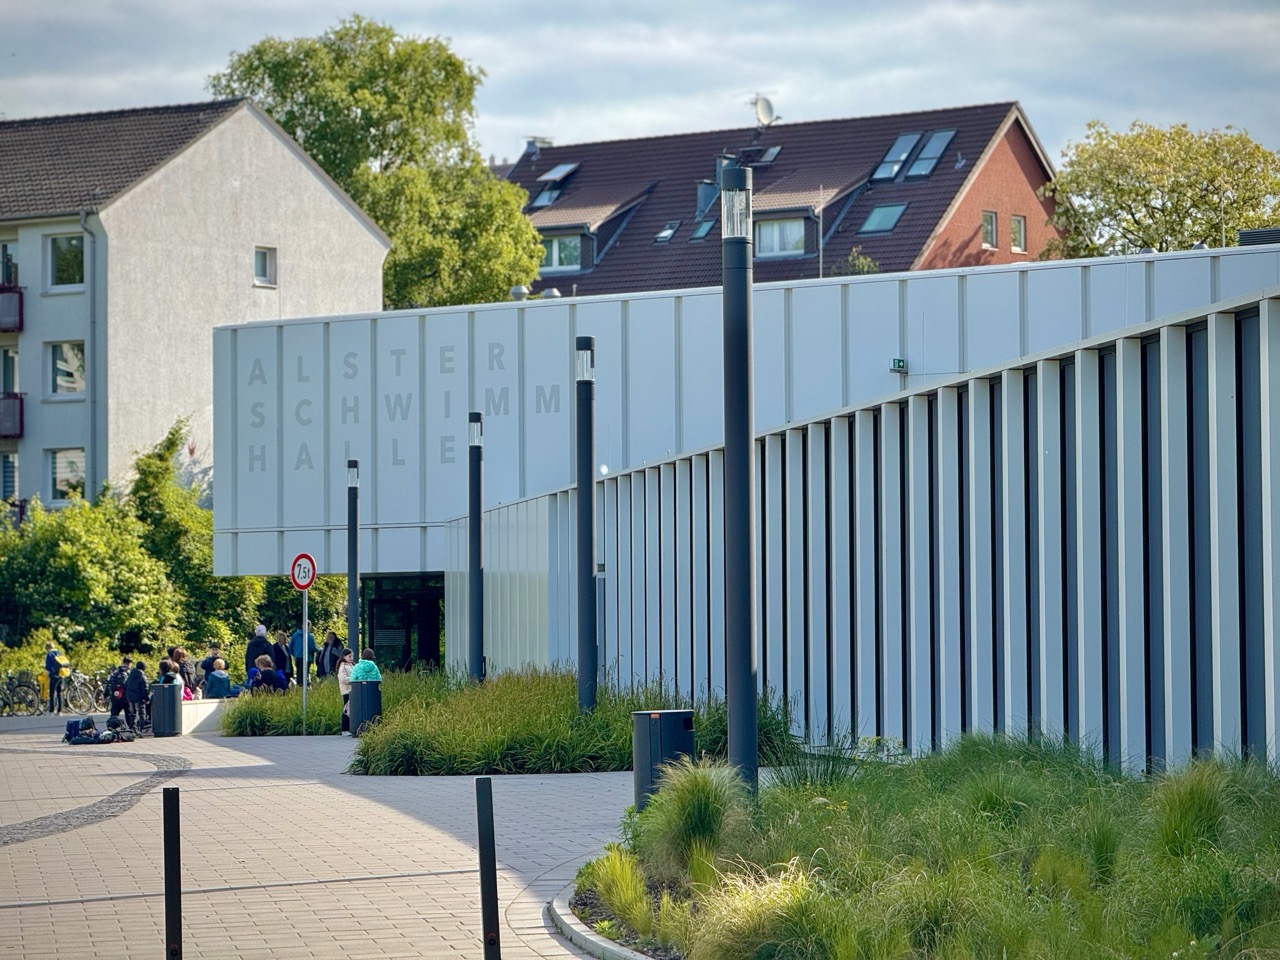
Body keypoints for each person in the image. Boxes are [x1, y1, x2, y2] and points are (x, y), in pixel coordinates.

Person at [44, 640, 68, 715]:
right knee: (59, 693)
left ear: (48, 648)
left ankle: (51, 710)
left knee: (52, 693)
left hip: (53, 675)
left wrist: (48, 670)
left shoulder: (50, 654)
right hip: (61, 675)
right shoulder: (59, 653)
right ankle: (59, 711)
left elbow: (48, 666)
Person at [124, 660, 150, 732]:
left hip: (130, 697)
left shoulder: (130, 675)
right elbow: (145, 689)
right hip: (139, 697)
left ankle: (132, 727)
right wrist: (147, 698)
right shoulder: (142, 676)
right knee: (141, 713)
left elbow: (125, 685)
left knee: (132, 713)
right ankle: (142, 728)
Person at [290, 620, 317, 684]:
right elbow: (312, 647)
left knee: (299, 673)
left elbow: (290, 647)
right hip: (307, 658)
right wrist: (320, 649)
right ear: (309, 627)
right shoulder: (310, 636)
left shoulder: (295, 635)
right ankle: (305, 687)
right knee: (305, 674)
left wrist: (295, 654)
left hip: (298, 657)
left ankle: (299, 686)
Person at [336, 648, 356, 736]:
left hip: (352, 690)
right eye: (349, 656)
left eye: (352, 656)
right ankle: (344, 729)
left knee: (351, 709)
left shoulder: (352, 665)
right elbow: (343, 679)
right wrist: (353, 679)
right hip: (346, 691)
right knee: (346, 709)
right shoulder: (343, 666)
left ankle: (351, 727)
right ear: (344, 656)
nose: (351, 658)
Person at [107, 656, 133, 720]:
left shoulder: (115, 673)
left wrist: (105, 695)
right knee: (130, 717)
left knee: (113, 716)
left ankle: (112, 728)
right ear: (129, 663)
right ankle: (131, 729)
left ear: (122, 662)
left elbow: (109, 684)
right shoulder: (130, 673)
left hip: (116, 697)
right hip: (127, 698)